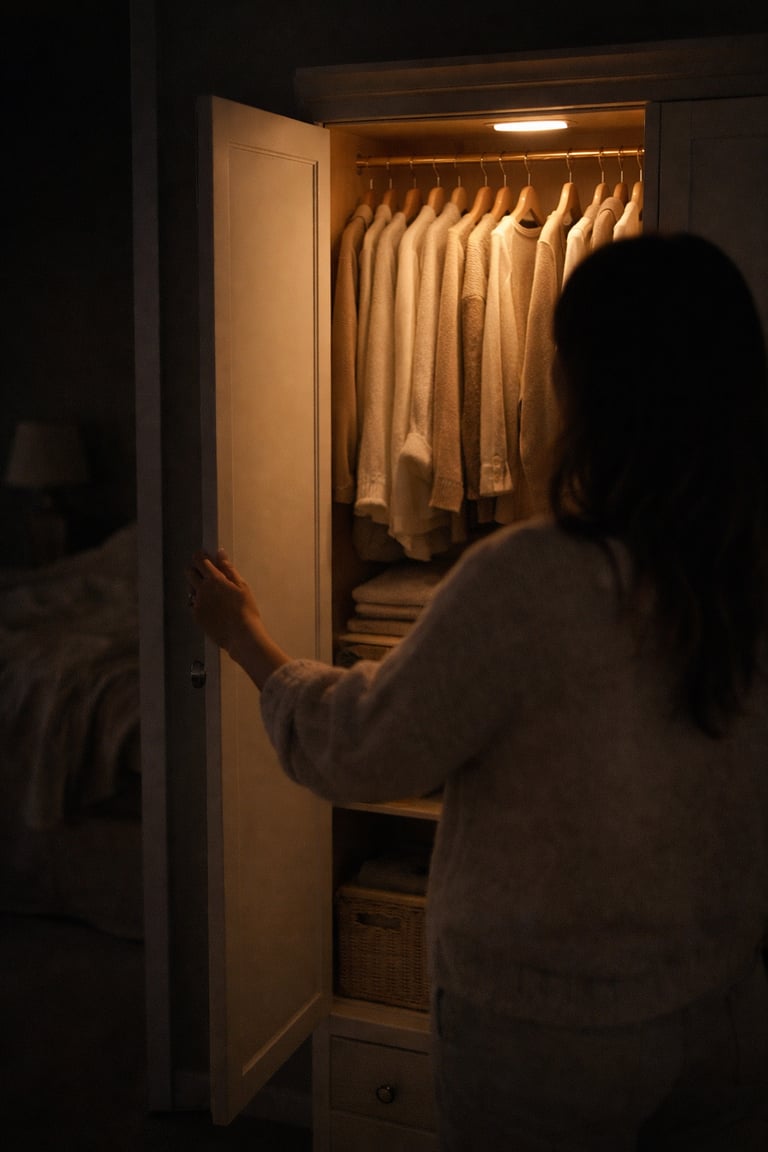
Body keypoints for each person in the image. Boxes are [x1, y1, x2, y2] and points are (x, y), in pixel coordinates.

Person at [189, 232, 768, 1151]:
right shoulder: (742, 564)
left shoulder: (534, 578)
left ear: (584, 390)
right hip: (727, 1009)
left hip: (548, 1034)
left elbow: (364, 748)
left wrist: (244, 637)